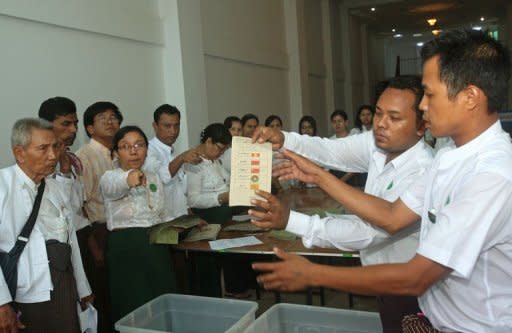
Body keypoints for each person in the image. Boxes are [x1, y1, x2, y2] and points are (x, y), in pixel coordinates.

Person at [251, 29, 512, 332]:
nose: (424, 107)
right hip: (438, 316)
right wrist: (316, 173)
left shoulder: (491, 175)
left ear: (469, 97)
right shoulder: (451, 153)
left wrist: (315, 274)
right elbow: (392, 215)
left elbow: (417, 274)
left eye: (429, 94)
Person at [251, 75, 433, 332]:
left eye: (394, 118)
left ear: (421, 126)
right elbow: (331, 150)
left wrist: (292, 219)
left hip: (413, 293)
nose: (381, 124)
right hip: (381, 283)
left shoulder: (425, 171)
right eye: (379, 113)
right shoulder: (377, 145)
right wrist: (285, 140)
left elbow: (369, 232)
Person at [0, 118, 92, 333]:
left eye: (55, 147)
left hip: (63, 286)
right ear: (19, 153)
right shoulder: (3, 187)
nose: (53, 155)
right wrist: (2, 303)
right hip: (23, 293)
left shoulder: (55, 187)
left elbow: (72, 242)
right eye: (43, 148)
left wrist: (82, 287)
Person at [100, 126, 176, 324]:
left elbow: (162, 213)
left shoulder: (154, 177)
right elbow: (115, 186)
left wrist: (186, 225)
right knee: (133, 302)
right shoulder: (110, 177)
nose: (133, 151)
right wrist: (129, 178)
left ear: (146, 149)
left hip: (156, 245)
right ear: (116, 152)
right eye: (125, 147)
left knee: (161, 299)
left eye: (139, 145)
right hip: (127, 249)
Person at [185, 123, 251, 298]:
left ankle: (236, 287)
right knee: (209, 265)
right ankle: (212, 298)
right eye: (220, 148)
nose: (222, 153)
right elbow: (192, 200)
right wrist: (221, 198)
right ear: (209, 141)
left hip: (224, 212)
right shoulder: (194, 163)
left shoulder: (215, 159)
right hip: (207, 216)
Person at [76, 101, 122, 333]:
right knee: (103, 292)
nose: (110, 121)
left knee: (120, 290)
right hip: (99, 231)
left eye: (113, 116)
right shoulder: (84, 156)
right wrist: (93, 243)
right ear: (89, 128)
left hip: (121, 230)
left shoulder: (120, 153)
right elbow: (80, 202)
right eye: (102, 118)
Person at [38, 97, 91, 282]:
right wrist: (64, 172)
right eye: (66, 124)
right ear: (46, 125)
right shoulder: (39, 162)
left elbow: (77, 204)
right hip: (57, 243)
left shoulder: (71, 158)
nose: (74, 130)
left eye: (75, 123)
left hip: (82, 235)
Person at [144, 104, 202, 221]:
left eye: (176, 126)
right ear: (155, 126)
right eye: (167, 126)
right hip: (162, 223)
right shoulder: (148, 150)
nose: (173, 131)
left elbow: (179, 191)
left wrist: (192, 217)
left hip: (180, 219)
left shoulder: (172, 153)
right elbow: (162, 177)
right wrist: (181, 158)